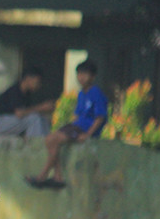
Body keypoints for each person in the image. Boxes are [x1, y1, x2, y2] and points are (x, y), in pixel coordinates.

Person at [26, 59, 108, 189]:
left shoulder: (95, 92)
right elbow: (77, 115)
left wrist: (88, 134)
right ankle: (58, 176)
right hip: (76, 127)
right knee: (50, 140)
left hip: (84, 129)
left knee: (53, 139)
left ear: (93, 76)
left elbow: (100, 117)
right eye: (79, 74)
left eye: (85, 74)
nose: (81, 77)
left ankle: (43, 176)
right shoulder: (81, 93)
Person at [0, 67, 55, 138]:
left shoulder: (27, 95)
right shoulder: (15, 90)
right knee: (34, 118)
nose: (38, 85)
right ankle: (34, 145)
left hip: (4, 123)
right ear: (28, 78)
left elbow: (26, 113)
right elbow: (19, 113)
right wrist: (41, 107)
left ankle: (46, 144)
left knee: (41, 118)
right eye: (37, 82)